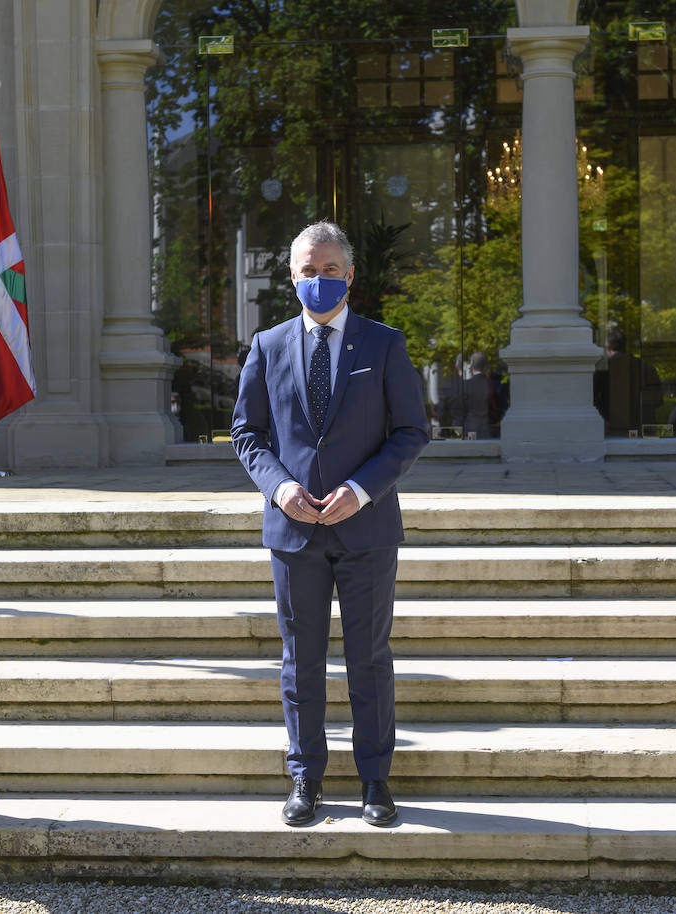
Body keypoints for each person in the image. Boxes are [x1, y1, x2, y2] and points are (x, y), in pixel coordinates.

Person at [231, 221, 429, 827]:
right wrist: (280, 487)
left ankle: (375, 782)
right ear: (292, 277)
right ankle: (305, 780)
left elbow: (411, 432)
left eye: (330, 270)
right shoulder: (266, 346)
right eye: (307, 272)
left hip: (364, 530)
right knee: (301, 659)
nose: (319, 281)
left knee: (368, 657)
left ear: (350, 274)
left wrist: (361, 490)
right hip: (294, 531)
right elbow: (248, 433)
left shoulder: (384, 344)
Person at [593, 329, 663, 436]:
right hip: (643, 428)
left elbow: (593, 398)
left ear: (607, 347)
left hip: (614, 429)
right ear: (625, 345)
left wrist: (605, 418)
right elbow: (657, 400)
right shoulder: (646, 368)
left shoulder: (603, 369)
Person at [462, 351, 493, 439]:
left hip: (471, 426)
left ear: (471, 366)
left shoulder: (466, 385)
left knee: (470, 449)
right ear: (485, 366)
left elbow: (461, 408)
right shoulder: (491, 384)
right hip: (487, 426)